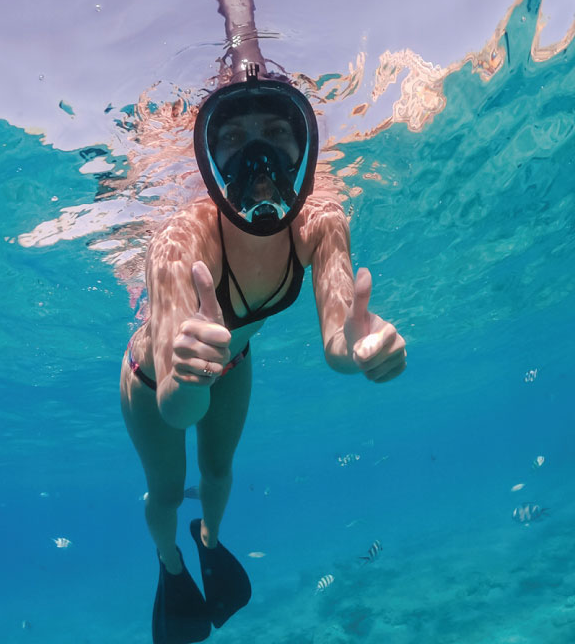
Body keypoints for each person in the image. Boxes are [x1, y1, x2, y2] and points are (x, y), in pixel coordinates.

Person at [120, 63, 408, 644]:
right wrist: (188, 376)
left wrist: (359, 348)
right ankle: (170, 564)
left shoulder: (321, 222)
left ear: (302, 149)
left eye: (277, 134)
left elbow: (336, 342)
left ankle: (209, 541)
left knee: (219, 470)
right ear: (210, 159)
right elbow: (175, 406)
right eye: (233, 139)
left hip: (233, 363)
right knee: (168, 490)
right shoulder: (180, 240)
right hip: (156, 382)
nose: (259, 160)